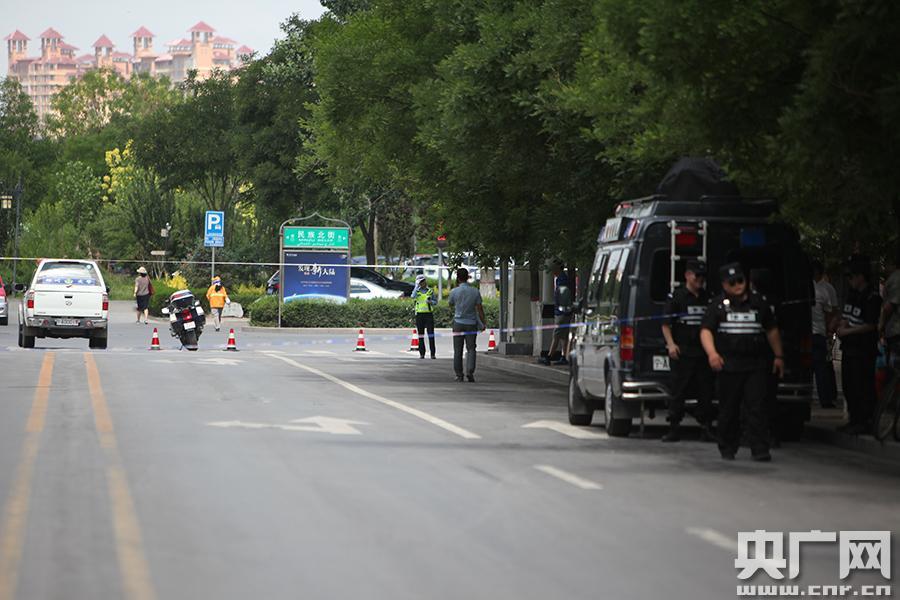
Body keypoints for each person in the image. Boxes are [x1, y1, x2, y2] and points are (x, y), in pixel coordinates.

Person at [700, 263, 784, 461]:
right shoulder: (717, 305)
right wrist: (712, 354)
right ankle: (727, 447)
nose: (738, 285)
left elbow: (771, 330)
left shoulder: (759, 303)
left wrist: (779, 356)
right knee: (728, 409)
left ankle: (760, 448)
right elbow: (706, 331)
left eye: (740, 280)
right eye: (732, 282)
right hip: (728, 364)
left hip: (755, 364)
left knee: (757, 407)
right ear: (724, 285)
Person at [660, 259, 714, 442]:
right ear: (688, 275)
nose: (700, 280)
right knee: (678, 391)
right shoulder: (677, 297)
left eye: (703, 276)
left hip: (702, 353)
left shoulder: (708, 298)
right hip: (683, 352)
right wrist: (671, 344)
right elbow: (666, 324)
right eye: (697, 276)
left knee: (706, 391)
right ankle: (674, 427)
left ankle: (706, 427)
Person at [837, 257, 882, 435]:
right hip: (849, 348)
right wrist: (841, 325)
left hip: (863, 349)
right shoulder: (852, 295)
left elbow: (870, 325)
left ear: (861, 276)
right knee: (849, 385)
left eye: (852, 276)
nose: (850, 281)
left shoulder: (872, 297)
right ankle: (854, 419)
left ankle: (865, 421)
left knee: (862, 386)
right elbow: (846, 315)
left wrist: (848, 331)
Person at [448, 267, 486, 382]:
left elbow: (450, 304)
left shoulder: (454, 291)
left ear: (458, 278)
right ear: (467, 277)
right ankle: (470, 371)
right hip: (471, 323)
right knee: (471, 348)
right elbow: (480, 308)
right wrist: (483, 322)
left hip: (458, 323)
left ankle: (459, 374)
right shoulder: (475, 291)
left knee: (457, 350)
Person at [811, 260, 839, 408]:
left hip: (819, 333)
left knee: (822, 366)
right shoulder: (824, 289)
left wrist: (829, 331)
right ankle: (826, 398)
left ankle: (827, 397)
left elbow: (831, 312)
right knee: (821, 366)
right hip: (818, 332)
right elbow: (831, 312)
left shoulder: (825, 289)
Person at [541, 264, 575, 366]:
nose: (552, 270)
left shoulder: (562, 280)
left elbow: (563, 297)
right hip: (564, 312)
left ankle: (549, 356)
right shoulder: (561, 279)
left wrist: (562, 310)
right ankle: (564, 357)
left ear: (558, 268)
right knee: (563, 336)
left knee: (556, 335)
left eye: (553, 268)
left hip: (562, 313)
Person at [411, 274, 438, 359]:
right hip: (419, 315)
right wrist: (416, 286)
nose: (423, 283)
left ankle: (432, 354)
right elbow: (412, 296)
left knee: (431, 335)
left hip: (429, 314)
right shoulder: (417, 291)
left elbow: (435, 302)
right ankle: (422, 353)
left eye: (423, 281)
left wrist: (431, 302)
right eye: (421, 282)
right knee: (421, 335)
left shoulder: (430, 291)